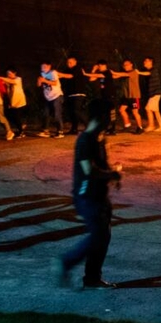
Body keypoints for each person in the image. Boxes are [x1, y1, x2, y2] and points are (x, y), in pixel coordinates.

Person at [54, 98, 123, 289]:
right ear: (100, 117)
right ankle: (67, 262)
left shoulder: (100, 138)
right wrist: (111, 174)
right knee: (98, 236)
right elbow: (89, 170)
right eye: (110, 116)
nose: (112, 119)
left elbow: (102, 167)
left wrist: (113, 175)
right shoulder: (85, 140)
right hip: (87, 197)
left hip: (100, 195)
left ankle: (92, 278)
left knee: (103, 236)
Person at [110, 59, 149, 134]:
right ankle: (127, 125)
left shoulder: (134, 72)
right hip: (126, 96)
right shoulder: (124, 73)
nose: (125, 66)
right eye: (124, 65)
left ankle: (140, 128)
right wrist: (108, 74)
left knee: (135, 112)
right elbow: (115, 76)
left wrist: (114, 72)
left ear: (131, 64)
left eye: (127, 64)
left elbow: (124, 75)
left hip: (134, 96)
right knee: (121, 110)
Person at [57, 55, 88, 135]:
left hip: (78, 93)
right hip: (70, 94)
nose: (69, 64)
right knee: (71, 112)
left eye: (71, 62)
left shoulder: (78, 69)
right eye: (68, 62)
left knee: (77, 110)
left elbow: (70, 76)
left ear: (75, 62)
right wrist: (53, 74)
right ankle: (74, 129)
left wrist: (59, 73)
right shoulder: (67, 70)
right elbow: (61, 76)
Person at [37, 61, 65, 139]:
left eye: (45, 67)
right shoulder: (42, 74)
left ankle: (60, 131)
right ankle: (45, 130)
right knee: (46, 113)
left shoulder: (53, 73)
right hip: (48, 97)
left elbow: (55, 83)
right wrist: (39, 81)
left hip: (57, 96)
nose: (43, 68)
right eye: (42, 67)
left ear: (49, 66)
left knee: (57, 115)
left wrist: (44, 80)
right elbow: (39, 85)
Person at [1, 65, 28, 137]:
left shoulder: (18, 79)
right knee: (10, 116)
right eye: (7, 74)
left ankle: (21, 131)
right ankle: (21, 126)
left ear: (14, 73)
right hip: (13, 103)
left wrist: (0, 78)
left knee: (17, 117)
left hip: (20, 102)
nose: (8, 75)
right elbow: (8, 92)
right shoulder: (8, 82)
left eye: (10, 73)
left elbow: (11, 81)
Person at [142, 57, 161, 132]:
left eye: (146, 61)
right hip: (154, 93)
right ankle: (160, 127)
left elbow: (148, 73)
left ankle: (152, 125)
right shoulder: (149, 70)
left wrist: (138, 72)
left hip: (155, 93)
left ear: (151, 62)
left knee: (148, 108)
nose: (144, 62)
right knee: (156, 111)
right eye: (144, 61)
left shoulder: (154, 70)